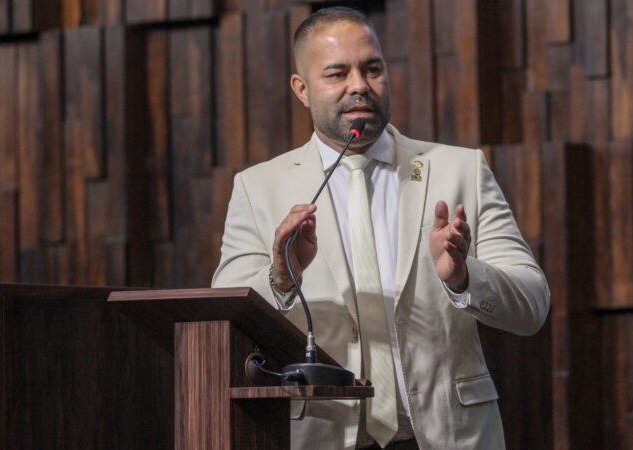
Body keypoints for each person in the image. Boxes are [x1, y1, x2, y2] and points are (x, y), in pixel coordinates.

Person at [212, 6, 549, 450]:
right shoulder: (259, 188)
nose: (359, 86)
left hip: (447, 437)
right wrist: (280, 278)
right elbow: (221, 325)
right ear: (302, 89)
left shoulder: (458, 170)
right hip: (322, 437)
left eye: (372, 69)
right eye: (337, 74)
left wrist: (464, 278)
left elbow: (532, 305)